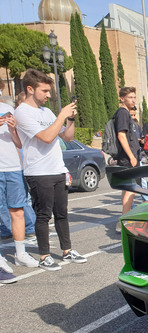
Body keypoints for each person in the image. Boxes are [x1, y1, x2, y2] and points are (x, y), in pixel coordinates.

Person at [14, 68, 87, 270]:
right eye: (44, 91)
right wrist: (62, 115)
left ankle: (67, 250)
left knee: (62, 213)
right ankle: (45, 255)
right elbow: (46, 137)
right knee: (44, 215)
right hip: (39, 172)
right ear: (30, 89)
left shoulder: (46, 111)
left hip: (57, 169)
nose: (48, 95)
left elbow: (67, 137)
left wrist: (69, 118)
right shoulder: (22, 112)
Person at [0, 97, 39, 269]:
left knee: (18, 211)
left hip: (13, 168)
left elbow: (19, 143)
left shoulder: (7, 108)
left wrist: (13, 129)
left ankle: (20, 253)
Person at [113, 87, 141, 218]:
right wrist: (131, 156)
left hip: (127, 157)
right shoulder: (123, 113)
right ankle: (124, 218)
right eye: (130, 97)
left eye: (134, 97)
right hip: (128, 158)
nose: (133, 100)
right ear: (122, 99)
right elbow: (121, 135)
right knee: (131, 188)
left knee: (127, 189)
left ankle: (124, 217)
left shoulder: (124, 113)